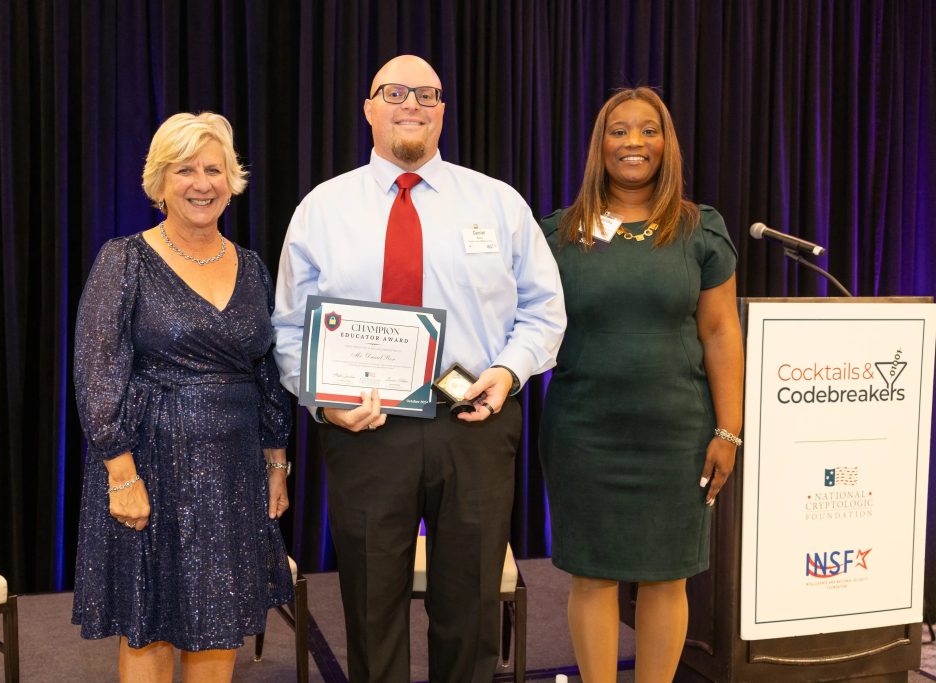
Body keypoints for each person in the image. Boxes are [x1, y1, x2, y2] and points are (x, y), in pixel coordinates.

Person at [272, 55, 566, 682]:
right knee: (370, 606)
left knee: (472, 609)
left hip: (474, 424)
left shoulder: (499, 203)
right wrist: (324, 403)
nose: (411, 104)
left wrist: (509, 372)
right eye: (395, 92)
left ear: (442, 111)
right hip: (364, 430)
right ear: (368, 108)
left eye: (427, 94)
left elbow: (545, 311)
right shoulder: (323, 208)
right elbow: (290, 330)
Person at [72, 112, 293, 682]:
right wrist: (121, 474)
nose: (201, 184)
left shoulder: (252, 267)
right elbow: (97, 373)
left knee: (220, 619)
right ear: (160, 182)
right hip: (150, 463)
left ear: (232, 181)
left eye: (213, 170)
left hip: (234, 470)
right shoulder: (125, 259)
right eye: (185, 170)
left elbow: (267, 372)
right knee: (150, 623)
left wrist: (276, 464)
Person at [539, 87, 744, 683]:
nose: (634, 142)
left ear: (666, 144)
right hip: (583, 431)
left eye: (648, 130)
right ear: (600, 145)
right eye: (619, 130)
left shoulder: (699, 230)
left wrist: (729, 430)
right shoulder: (558, 233)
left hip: (676, 433)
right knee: (592, 575)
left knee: (667, 576)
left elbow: (721, 331)